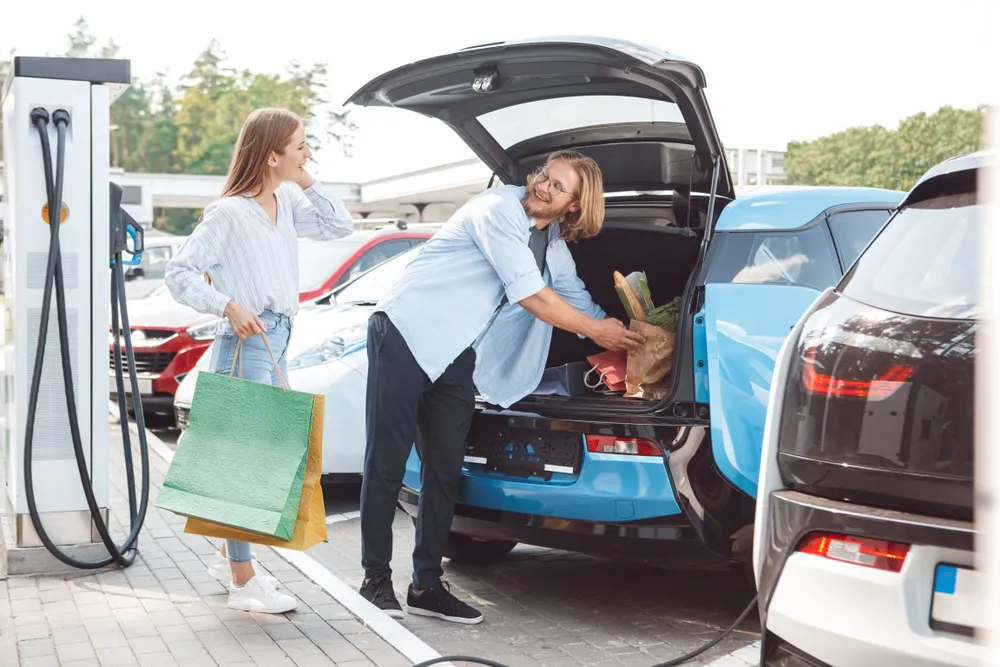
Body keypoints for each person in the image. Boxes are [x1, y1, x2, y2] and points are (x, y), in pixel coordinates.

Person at [359, 149, 644, 624]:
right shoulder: (496, 209)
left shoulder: (551, 241)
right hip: (405, 330)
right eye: (543, 176)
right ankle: (374, 581)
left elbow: (573, 297)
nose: (543, 186)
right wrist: (598, 334)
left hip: (454, 350)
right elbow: (531, 295)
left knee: (445, 469)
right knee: (386, 462)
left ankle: (426, 585)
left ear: (574, 206)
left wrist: (629, 337)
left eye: (557, 186)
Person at [164, 107, 354, 614]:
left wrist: (304, 175)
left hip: (278, 339)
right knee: (244, 462)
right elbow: (179, 273)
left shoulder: (286, 203)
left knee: (267, 453)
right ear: (271, 154)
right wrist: (226, 304)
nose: (307, 151)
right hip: (248, 341)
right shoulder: (228, 213)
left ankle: (231, 556)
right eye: (299, 146)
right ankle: (244, 580)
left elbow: (339, 223)